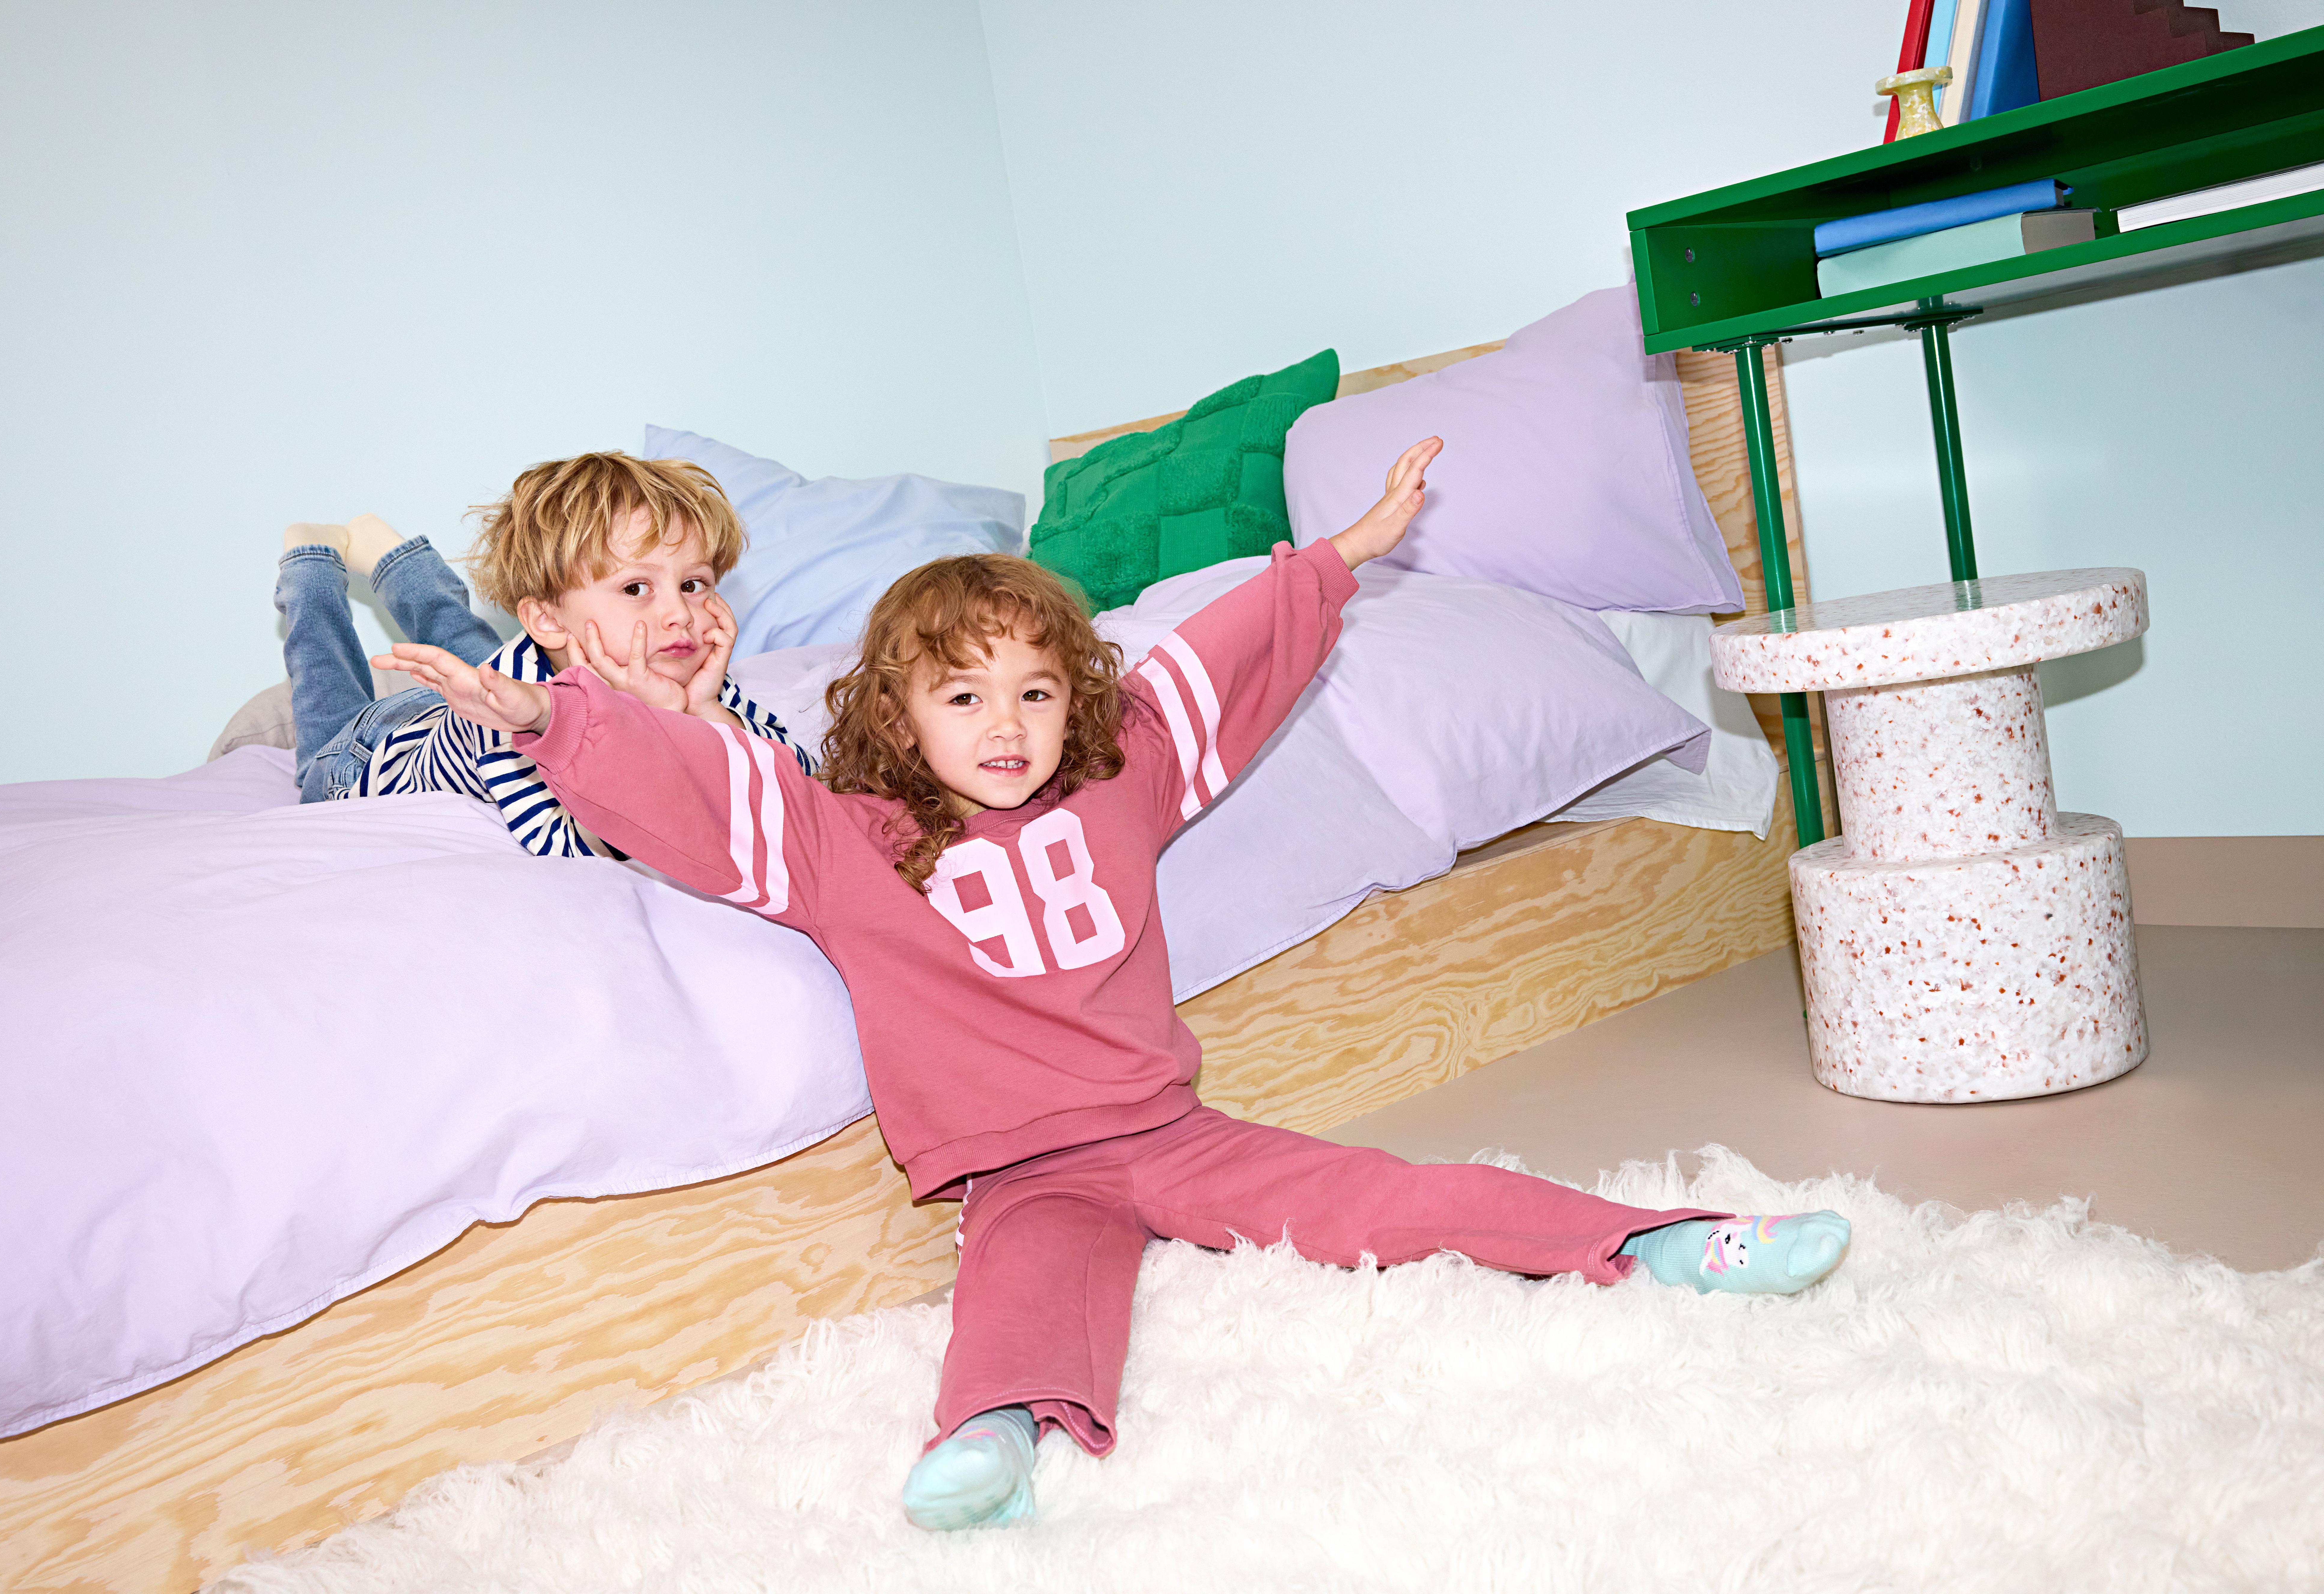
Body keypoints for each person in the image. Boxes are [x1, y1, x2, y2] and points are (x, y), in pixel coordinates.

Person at [381, 436, 1851, 1530]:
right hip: (1019, 1177)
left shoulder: (1117, 779)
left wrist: (1333, 558)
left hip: (1170, 1133)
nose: (1008, 724)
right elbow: (715, 813)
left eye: (1034, 689)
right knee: (1015, 1315)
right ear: (892, 717)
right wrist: (550, 723)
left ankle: (1670, 1239)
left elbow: (1213, 674)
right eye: (961, 697)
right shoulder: (849, 838)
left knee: (1391, 1200)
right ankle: (987, 1447)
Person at [273, 452, 811, 857]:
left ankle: (391, 555)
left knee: (472, 654)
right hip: (367, 757)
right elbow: (572, 845)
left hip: (487, 691)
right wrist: (665, 726)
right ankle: (310, 566)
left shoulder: (685, 664)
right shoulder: (507, 720)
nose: (681, 615)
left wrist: (708, 712)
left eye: (694, 584)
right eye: (635, 589)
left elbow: (804, 786)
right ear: (549, 620)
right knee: (328, 690)